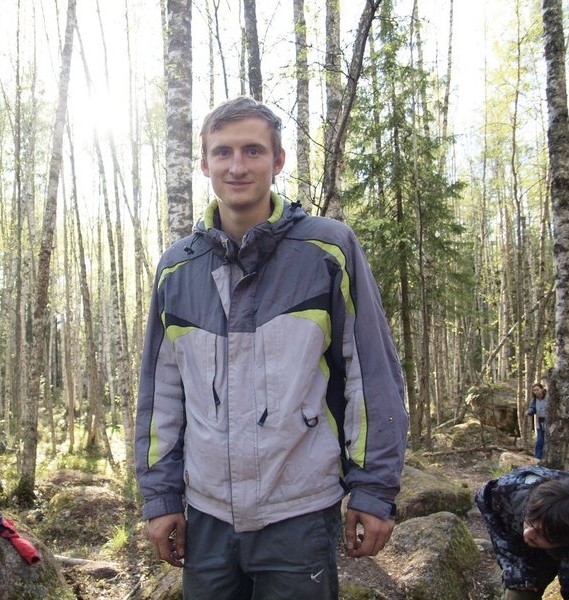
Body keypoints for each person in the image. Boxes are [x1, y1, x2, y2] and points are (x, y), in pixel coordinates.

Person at [134, 96, 408, 599]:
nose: (237, 166)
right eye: (223, 152)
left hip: (300, 512)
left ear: (278, 160)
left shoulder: (327, 250)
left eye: (253, 151)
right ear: (205, 164)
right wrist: (160, 497)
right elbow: (160, 394)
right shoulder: (177, 269)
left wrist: (374, 489)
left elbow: (372, 374)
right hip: (206, 514)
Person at [475, 466, 569, 599]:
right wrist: (515, 565)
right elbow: (484, 499)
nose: (527, 533)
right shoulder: (512, 490)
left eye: (540, 533)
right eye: (529, 522)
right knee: (519, 592)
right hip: (541, 543)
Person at [526, 383, 547, 459]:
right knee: (539, 441)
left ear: (542, 389)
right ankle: (537, 458)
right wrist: (529, 411)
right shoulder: (535, 400)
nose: (536, 392)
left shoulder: (548, 397)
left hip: (550, 421)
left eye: (538, 390)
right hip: (540, 422)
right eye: (534, 390)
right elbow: (533, 408)